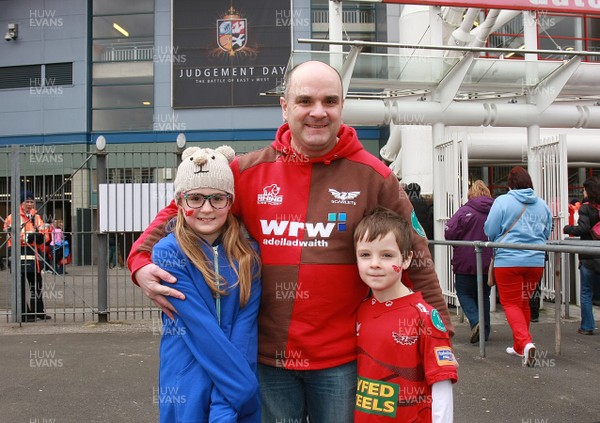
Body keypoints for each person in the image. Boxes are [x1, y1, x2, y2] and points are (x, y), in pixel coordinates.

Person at [128, 60, 452, 421]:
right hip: (267, 362)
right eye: (305, 101)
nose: (318, 112)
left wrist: (441, 340)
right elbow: (182, 207)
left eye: (329, 101)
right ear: (284, 106)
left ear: (342, 106)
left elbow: (416, 256)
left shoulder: (375, 176)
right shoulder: (247, 171)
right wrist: (139, 260)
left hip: (341, 362)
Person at [153, 145, 262, 422]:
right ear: (179, 202)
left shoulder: (249, 253)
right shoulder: (168, 252)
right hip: (187, 373)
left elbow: (245, 328)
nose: (206, 209)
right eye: (195, 199)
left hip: (238, 376)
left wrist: (228, 403)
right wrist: (243, 390)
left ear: (230, 201)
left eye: (217, 199)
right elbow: (199, 327)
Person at [354, 207, 457, 422]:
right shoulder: (360, 310)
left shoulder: (425, 317)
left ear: (406, 259)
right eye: (365, 255)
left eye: (387, 255)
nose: (374, 264)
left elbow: (441, 384)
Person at [484, 167, 552, 367]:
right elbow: (548, 230)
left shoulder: (502, 201)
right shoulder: (542, 204)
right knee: (523, 302)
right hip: (536, 260)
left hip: (508, 259)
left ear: (509, 184)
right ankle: (519, 346)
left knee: (511, 304)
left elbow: (490, 229)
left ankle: (525, 343)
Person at [445, 180, 494, 343]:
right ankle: (485, 331)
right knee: (484, 296)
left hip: (466, 260)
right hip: (488, 260)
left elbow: (450, 233)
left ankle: (475, 321)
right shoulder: (495, 210)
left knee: (464, 292)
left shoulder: (465, 210)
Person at [3, 190, 51, 321]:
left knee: (36, 285)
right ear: (21, 203)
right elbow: (13, 235)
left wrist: (38, 238)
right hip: (17, 253)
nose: (30, 204)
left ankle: (38, 311)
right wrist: (31, 237)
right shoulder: (13, 217)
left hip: (33, 255)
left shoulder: (36, 217)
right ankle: (24, 313)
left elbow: (45, 235)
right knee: (20, 286)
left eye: (31, 201)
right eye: (27, 201)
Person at [563, 176, 600, 335]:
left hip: (589, 256)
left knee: (586, 292)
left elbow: (583, 228)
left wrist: (568, 229)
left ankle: (587, 326)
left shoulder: (586, 208)